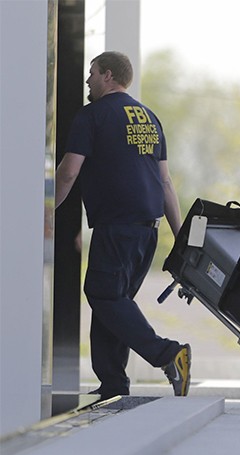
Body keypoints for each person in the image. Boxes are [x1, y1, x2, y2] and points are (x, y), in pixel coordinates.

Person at [54, 51, 191, 400]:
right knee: (113, 300)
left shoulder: (92, 116)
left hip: (117, 226)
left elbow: (69, 171)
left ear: (109, 76)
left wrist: (42, 210)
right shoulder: (148, 118)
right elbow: (165, 183)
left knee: (102, 294)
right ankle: (113, 383)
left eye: (92, 73)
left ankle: (166, 353)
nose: (88, 80)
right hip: (147, 228)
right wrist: (180, 236)